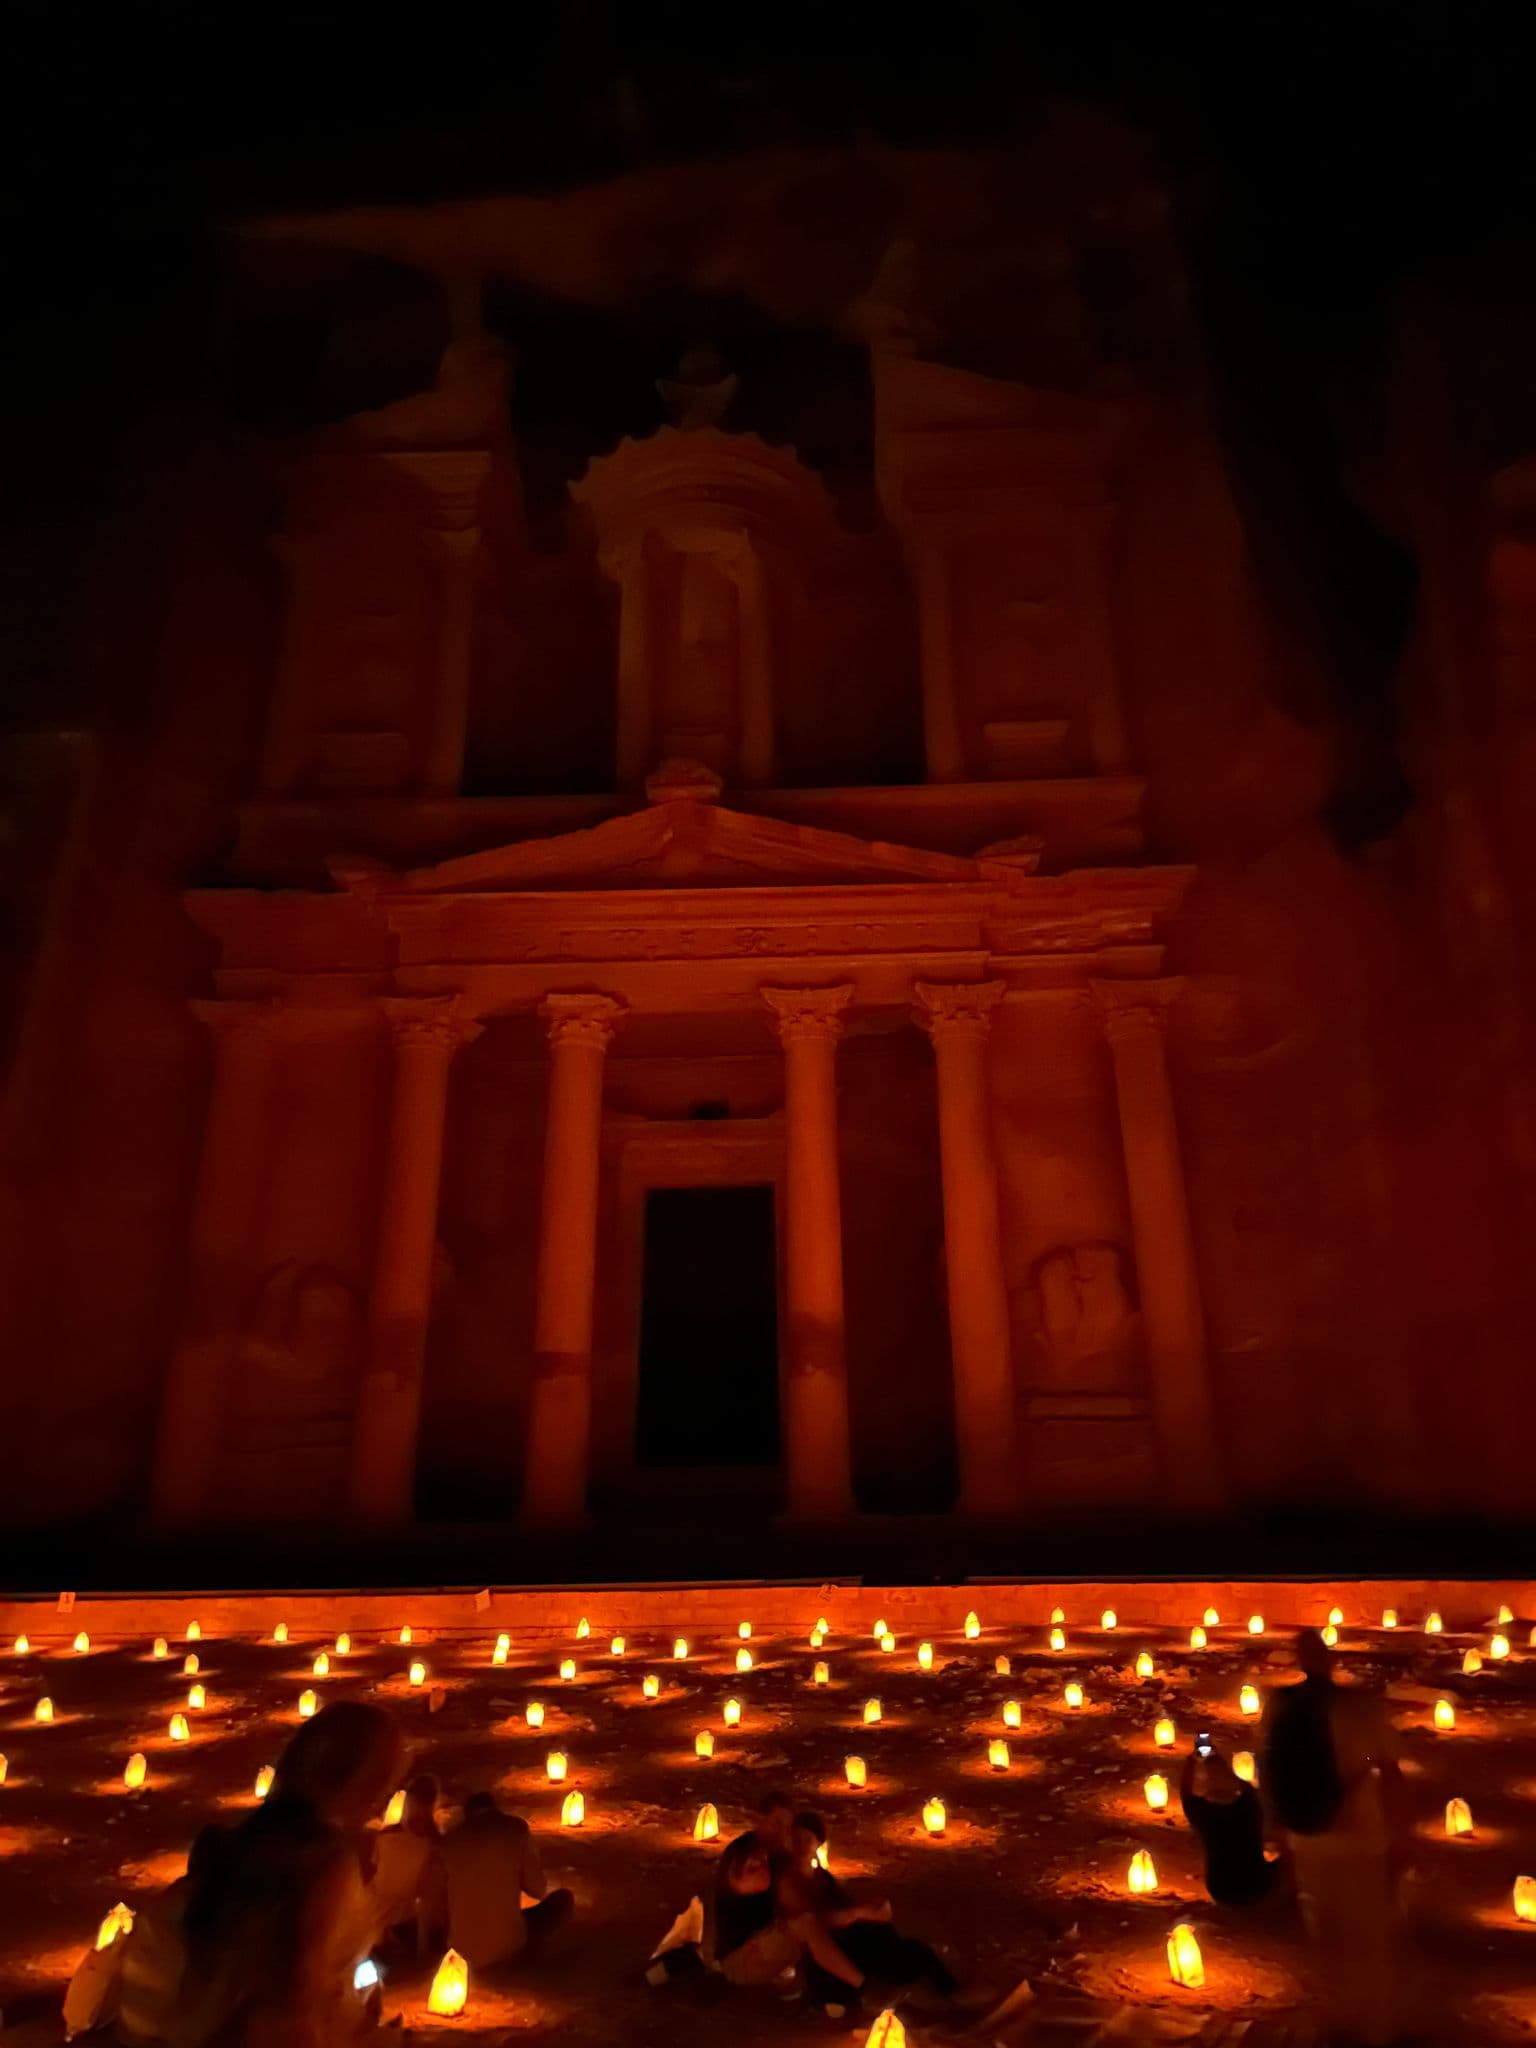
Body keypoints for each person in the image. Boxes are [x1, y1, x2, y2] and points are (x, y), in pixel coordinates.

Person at [165, 1698, 404, 2047]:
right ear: (360, 1778)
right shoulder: (323, 1866)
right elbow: (292, 1999)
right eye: (384, 1776)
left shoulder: (238, 1841)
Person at [1262, 1628, 1410, 2047]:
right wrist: (1403, 1837)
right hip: (1362, 1838)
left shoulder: (1279, 1706)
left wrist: (1276, 1833)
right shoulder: (1362, 1707)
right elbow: (1389, 1773)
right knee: (1369, 1938)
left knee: (1324, 1936)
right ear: (1330, 1660)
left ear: (1297, 1661)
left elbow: (1267, 1774)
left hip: (1309, 1838)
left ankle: (1334, 2026)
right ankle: (1373, 2030)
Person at [787, 1812, 963, 2005]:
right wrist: (858, 1914)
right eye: (797, 1840)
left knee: (900, 1943)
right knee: (896, 1950)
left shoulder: (823, 1877)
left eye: (808, 1840)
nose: (801, 1846)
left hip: (846, 1941)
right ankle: (940, 1990)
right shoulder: (788, 1881)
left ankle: (945, 1989)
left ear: (818, 1844)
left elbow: (846, 1907)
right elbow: (816, 1920)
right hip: (828, 1957)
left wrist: (872, 1910)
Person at [712, 1832, 864, 2007]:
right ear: (735, 1875)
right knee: (804, 1925)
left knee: (807, 1922)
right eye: (753, 1867)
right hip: (739, 1963)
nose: (763, 1869)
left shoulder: (771, 1886)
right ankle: (861, 1984)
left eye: (764, 1861)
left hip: (756, 1948)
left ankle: (821, 1985)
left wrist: (855, 1913)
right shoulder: (736, 1892)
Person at [436, 1790, 573, 1971]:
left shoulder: (450, 1840)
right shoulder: (515, 1829)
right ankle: (533, 1958)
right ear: (495, 1809)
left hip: (460, 1950)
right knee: (562, 1900)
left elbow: (439, 1900)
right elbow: (537, 1889)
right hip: (507, 1946)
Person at [1178, 1741, 1281, 1907]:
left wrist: (1192, 1760)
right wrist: (1226, 1770)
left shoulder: (1204, 1814)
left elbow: (1185, 1792)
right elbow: (1247, 1787)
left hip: (1222, 1890)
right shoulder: (1248, 1808)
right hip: (1259, 1886)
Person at [370, 1773, 445, 1955]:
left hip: (373, 1922)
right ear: (432, 1805)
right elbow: (428, 1899)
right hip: (402, 1926)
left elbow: (374, 1875)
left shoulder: (384, 1837)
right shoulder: (433, 1845)